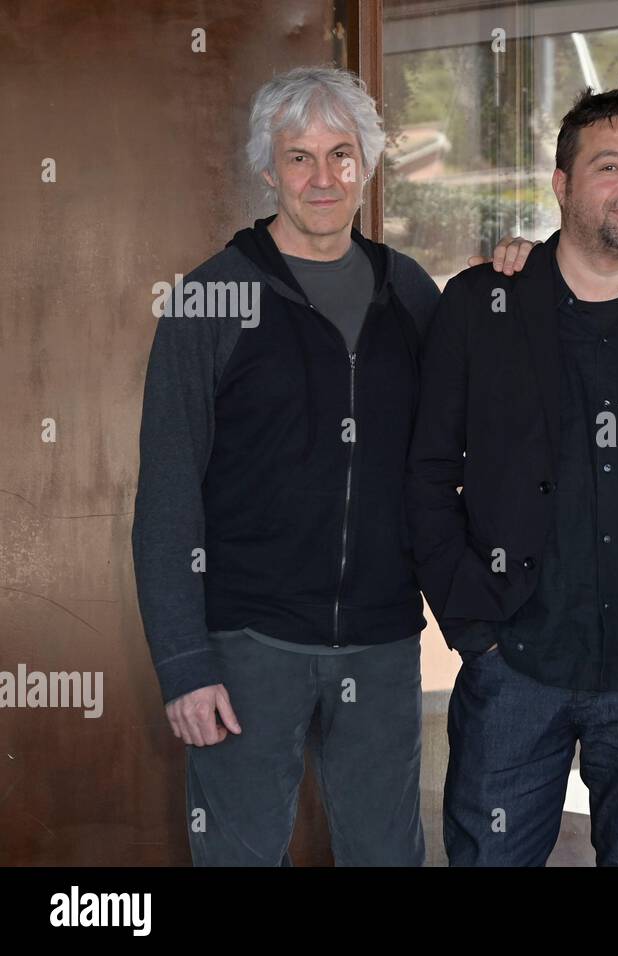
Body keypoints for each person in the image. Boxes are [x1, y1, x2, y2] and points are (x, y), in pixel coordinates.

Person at [406, 85, 618, 866]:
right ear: (561, 185)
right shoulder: (480, 306)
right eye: (610, 166)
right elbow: (427, 474)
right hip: (514, 668)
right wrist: (472, 629)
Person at [132, 66, 439, 866]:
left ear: (368, 165)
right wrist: (183, 665)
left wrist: (524, 268)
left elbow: (468, 431)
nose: (323, 177)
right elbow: (167, 496)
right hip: (246, 645)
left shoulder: (409, 291)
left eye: (342, 154)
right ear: (267, 168)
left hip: (379, 644)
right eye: (299, 157)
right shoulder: (209, 299)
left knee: (387, 856)